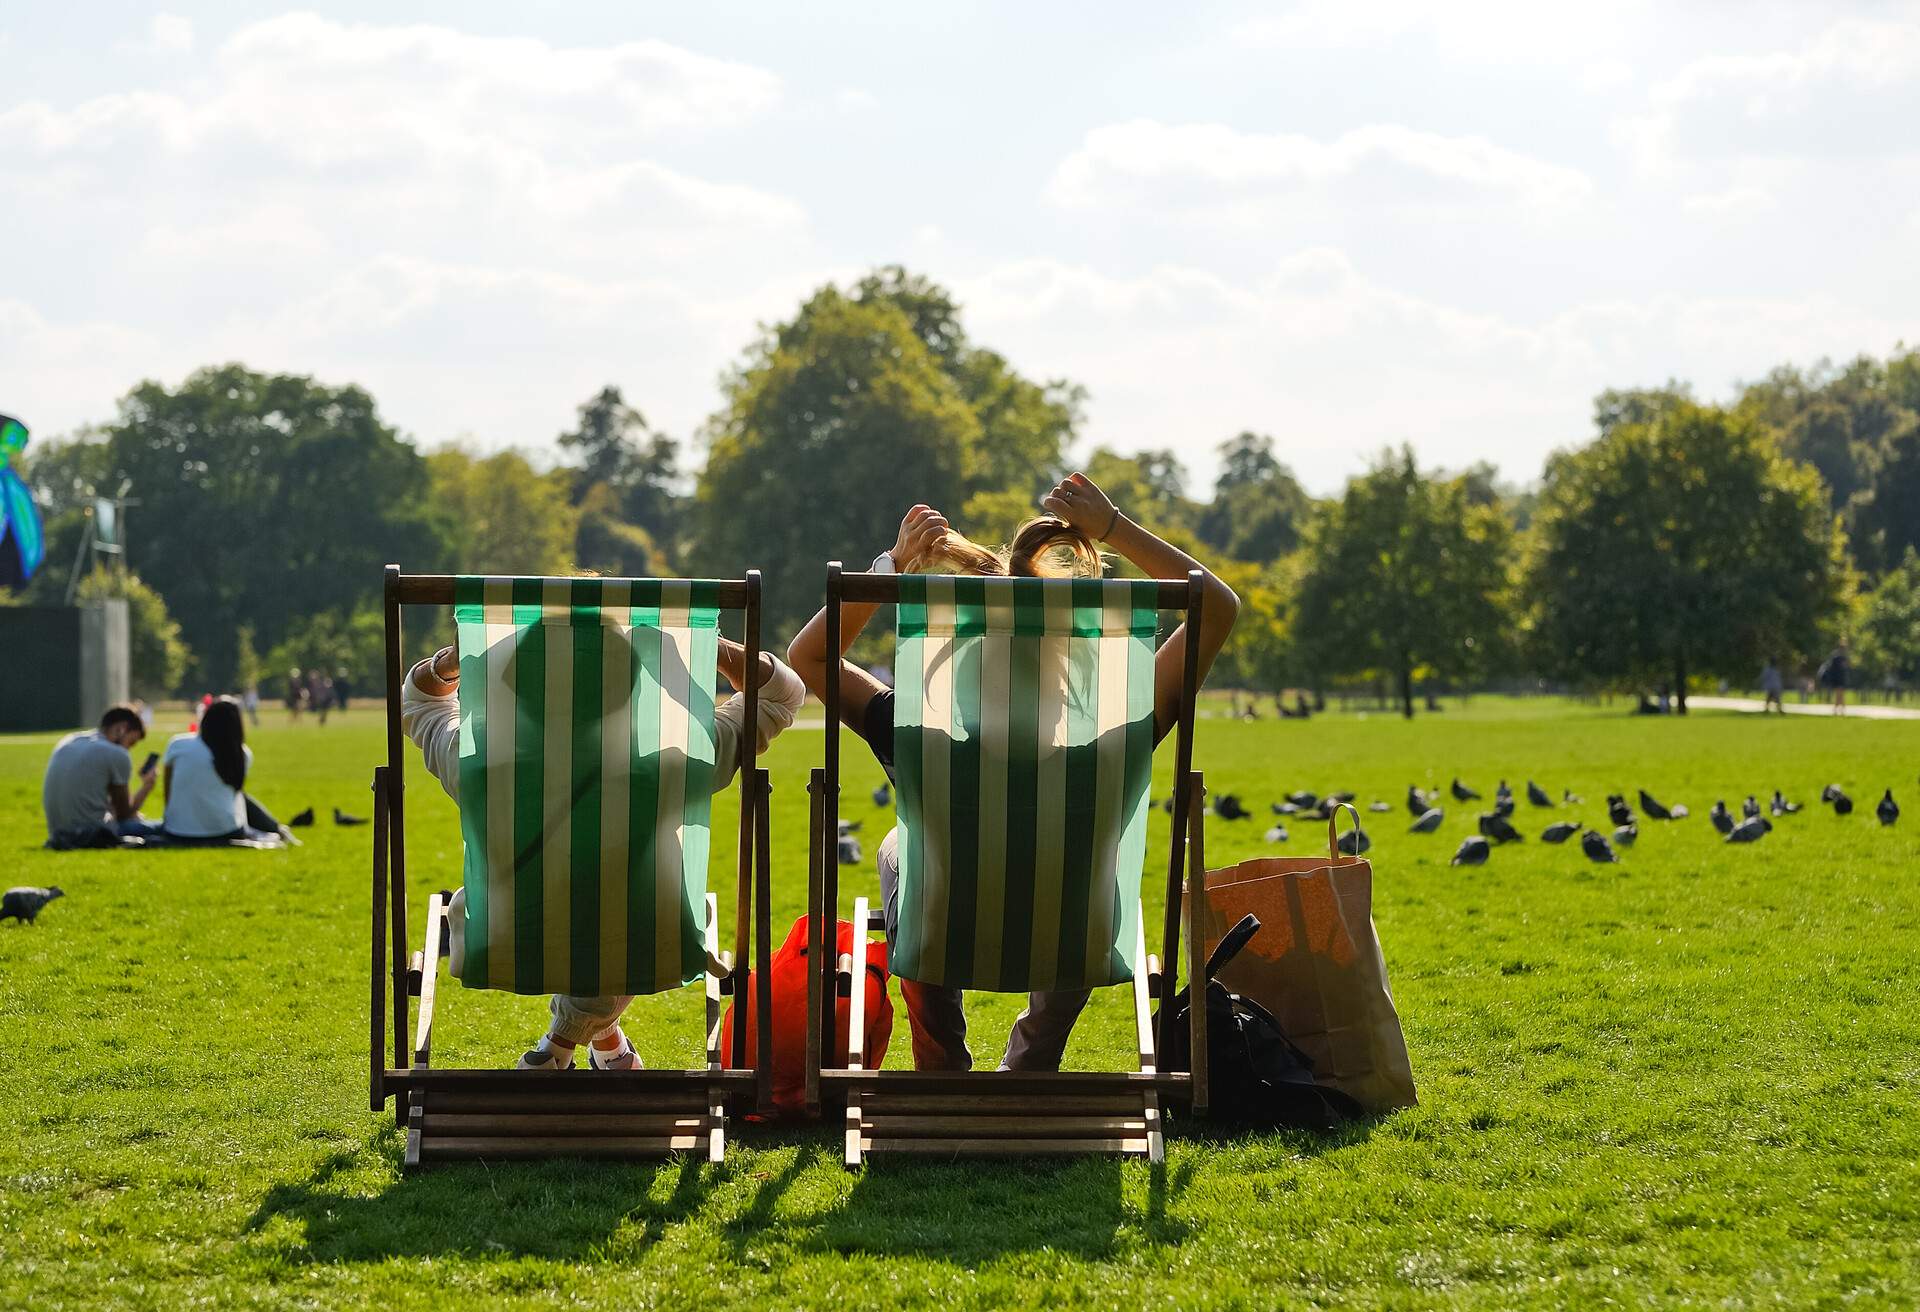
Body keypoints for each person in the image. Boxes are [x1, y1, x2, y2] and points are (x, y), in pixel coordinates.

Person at [786, 473, 1239, 1073]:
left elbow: (808, 657)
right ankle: (1034, 1058)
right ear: (1066, 655)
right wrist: (1111, 529)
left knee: (901, 846)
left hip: (943, 936)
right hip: (1073, 942)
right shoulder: (1118, 733)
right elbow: (1218, 607)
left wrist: (892, 565)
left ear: (964, 653)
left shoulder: (914, 732)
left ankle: (941, 1057)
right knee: (1080, 860)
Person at [402, 629, 806, 1072]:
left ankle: (573, 1045)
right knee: (619, 906)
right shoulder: (672, 764)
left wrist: (452, 660)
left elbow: (419, 701)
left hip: (503, 942)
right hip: (648, 945)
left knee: (576, 904)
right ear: (630, 686)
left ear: (514, 682)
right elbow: (781, 695)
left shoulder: (474, 759)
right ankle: (580, 1040)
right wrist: (714, 646)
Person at [159, 696, 292, 842]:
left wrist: (170, 817)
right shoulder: (242, 754)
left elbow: (168, 788)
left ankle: (277, 828)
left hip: (177, 831)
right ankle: (277, 829)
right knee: (240, 797)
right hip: (225, 831)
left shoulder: (178, 744)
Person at [42, 704, 159, 847]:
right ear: (121, 729)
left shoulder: (69, 740)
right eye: (131, 742)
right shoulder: (116, 753)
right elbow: (124, 814)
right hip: (92, 835)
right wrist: (147, 786)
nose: (128, 749)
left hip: (58, 834)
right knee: (166, 828)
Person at [1819, 642, 1851, 716]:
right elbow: (1841, 668)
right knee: (1839, 695)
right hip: (1839, 679)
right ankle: (1839, 710)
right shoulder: (1838, 658)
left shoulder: (1838, 656)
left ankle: (1838, 710)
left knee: (1840, 695)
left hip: (1840, 678)